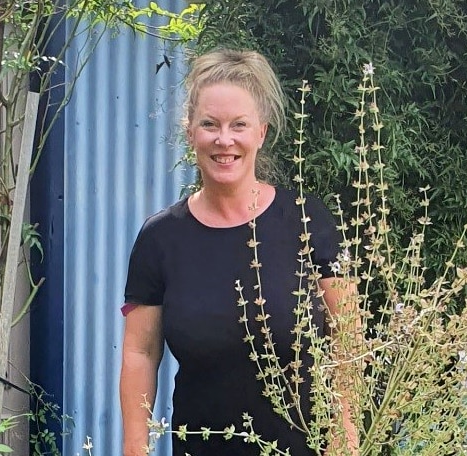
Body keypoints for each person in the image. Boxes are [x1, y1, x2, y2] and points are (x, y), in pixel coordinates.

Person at [120, 49, 358, 456]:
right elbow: (140, 352)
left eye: (239, 125)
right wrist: (135, 446)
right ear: (191, 131)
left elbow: (347, 338)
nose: (223, 139)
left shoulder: (307, 221)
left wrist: (346, 438)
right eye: (209, 124)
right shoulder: (161, 238)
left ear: (261, 133)